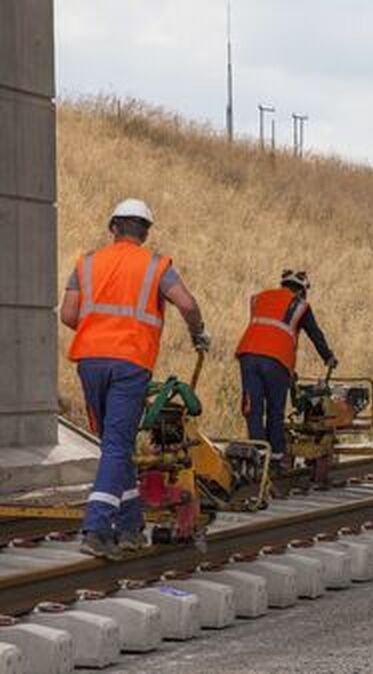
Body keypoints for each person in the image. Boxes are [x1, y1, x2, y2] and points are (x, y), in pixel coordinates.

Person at [60, 198, 209, 559]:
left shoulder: (87, 264)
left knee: (116, 445)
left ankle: (129, 529)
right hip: (129, 362)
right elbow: (187, 305)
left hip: (90, 361)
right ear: (145, 232)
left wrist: (100, 330)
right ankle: (96, 527)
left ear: (113, 228)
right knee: (116, 445)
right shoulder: (157, 267)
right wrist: (198, 333)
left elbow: (68, 314)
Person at [235, 270, 337, 471]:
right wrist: (328, 357)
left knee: (253, 408)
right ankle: (276, 459)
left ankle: (258, 456)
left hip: (248, 355)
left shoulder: (260, 298)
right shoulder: (299, 305)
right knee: (275, 410)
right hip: (276, 360)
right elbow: (314, 333)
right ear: (302, 291)